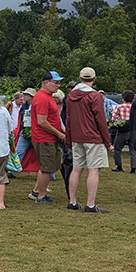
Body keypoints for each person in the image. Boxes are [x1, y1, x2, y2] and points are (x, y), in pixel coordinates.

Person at [64, 67, 113, 213]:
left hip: (77, 137)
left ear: (80, 79)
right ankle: (90, 204)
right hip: (93, 137)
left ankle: (72, 201)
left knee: (76, 168)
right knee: (93, 170)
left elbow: (68, 119)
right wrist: (108, 142)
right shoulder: (95, 96)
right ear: (94, 79)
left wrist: (69, 140)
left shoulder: (71, 97)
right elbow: (100, 120)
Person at [28, 71, 65, 204]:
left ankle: (37, 191)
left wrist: (62, 129)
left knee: (46, 166)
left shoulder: (48, 96)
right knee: (47, 168)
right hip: (44, 138)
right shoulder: (43, 98)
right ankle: (41, 196)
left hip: (48, 137)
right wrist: (59, 134)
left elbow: (52, 118)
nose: (58, 85)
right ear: (46, 83)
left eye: (59, 83)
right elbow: (42, 121)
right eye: (55, 83)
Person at [110, 90, 136, 174]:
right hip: (132, 130)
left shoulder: (119, 107)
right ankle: (133, 168)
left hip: (122, 131)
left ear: (123, 98)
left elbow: (113, 119)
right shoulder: (135, 107)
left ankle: (119, 166)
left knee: (117, 148)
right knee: (133, 149)